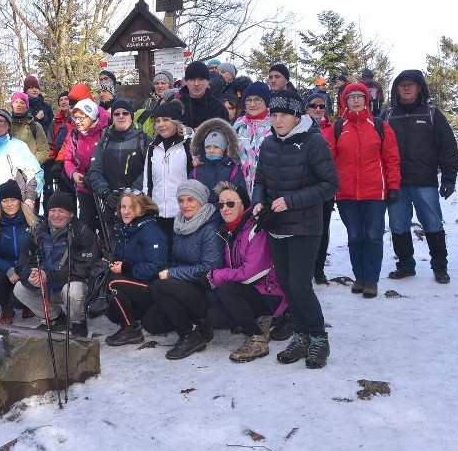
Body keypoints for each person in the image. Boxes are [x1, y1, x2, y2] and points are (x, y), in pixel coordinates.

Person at [252, 90, 338, 369]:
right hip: (276, 225)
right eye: (274, 115)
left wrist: (291, 201)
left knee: (301, 285)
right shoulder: (268, 144)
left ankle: (319, 338)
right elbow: (261, 181)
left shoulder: (315, 143)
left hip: (305, 225)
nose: (277, 121)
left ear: (296, 116)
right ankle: (301, 335)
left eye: (283, 115)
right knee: (287, 284)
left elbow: (329, 185)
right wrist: (258, 203)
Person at [382, 70, 458, 284]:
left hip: (425, 181)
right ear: (397, 89)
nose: (406, 88)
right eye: (402, 84)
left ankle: (440, 267)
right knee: (398, 225)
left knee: (433, 224)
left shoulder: (432, 113)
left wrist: (449, 178)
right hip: (396, 183)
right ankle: (406, 265)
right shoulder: (387, 116)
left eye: (411, 84)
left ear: (419, 88)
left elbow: (448, 147)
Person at [332, 83, 401, 298]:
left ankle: (371, 279)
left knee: (373, 236)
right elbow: (330, 162)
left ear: (366, 100)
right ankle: (359, 277)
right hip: (346, 194)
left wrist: (394, 186)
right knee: (355, 236)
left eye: (359, 96)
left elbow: (391, 159)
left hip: (375, 193)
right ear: (345, 101)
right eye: (350, 96)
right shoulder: (337, 128)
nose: (355, 100)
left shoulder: (380, 126)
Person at [143, 180, 224, 360]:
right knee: (151, 324)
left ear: (201, 201)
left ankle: (189, 335)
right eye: (181, 200)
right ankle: (197, 323)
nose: (185, 205)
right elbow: (175, 258)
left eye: (190, 200)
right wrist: (169, 270)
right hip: (183, 286)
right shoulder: (180, 224)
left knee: (159, 287)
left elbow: (210, 268)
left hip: (206, 290)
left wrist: (172, 274)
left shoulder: (210, 227)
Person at [207, 182, 286, 362]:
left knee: (227, 289)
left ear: (243, 204)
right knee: (215, 316)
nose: (225, 208)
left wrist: (215, 276)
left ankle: (257, 339)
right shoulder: (228, 231)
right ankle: (261, 318)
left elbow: (252, 272)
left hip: (269, 292)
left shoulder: (255, 228)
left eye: (230, 203)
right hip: (249, 290)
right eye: (220, 204)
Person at [13, 192, 97, 336]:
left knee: (73, 291)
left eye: (61, 211)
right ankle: (55, 317)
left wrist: (49, 277)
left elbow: (84, 267)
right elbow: (24, 260)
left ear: (71, 214)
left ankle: (78, 321)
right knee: (20, 289)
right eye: (52, 210)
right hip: (47, 282)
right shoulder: (38, 231)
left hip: (71, 283)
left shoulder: (82, 233)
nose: (56, 215)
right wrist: (32, 274)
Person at [104, 192, 168, 346]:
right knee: (113, 312)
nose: (126, 211)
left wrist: (126, 268)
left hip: (153, 286)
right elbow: (120, 256)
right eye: (123, 206)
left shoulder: (151, 231)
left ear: (143, 209)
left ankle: (131, 329)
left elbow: (156, 267)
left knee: (112, 283)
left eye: (132, 207)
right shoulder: (124, 229)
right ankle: (133, 319)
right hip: (135, 281)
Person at [87, 98, 151, 229]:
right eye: (116, 113)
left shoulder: (144, 140)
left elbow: (150, 170)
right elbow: (94, 170)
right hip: (112, 204)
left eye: (125, 113)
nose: (121, 116)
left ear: (131, 116)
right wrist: (105, 193)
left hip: (138, 204)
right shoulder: (104, 141)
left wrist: (131, 194)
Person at [0, 179, 40, 324]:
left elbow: (40, 251)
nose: (9, 204)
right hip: (6, 270)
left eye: (13, 200)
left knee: (19, 299)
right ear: (0, 203)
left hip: (27, 269)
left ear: (19, 201)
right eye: (5, 200)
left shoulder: (33, 223)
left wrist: (25, 269)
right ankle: (6, 307)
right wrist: (7, 268)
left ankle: (28, 304)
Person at [143, 99, 193, 242]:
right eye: (158, 121)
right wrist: (148, 207)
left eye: (166, 120)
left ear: (175, 122)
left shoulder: (187, 145)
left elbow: (192, 179)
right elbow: (148, 182)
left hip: (182, 212)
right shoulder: (152, 148)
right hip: (157, 213)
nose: (161, 124)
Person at [303, 92, 335, 284]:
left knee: (322, 229)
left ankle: (319, 268)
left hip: (324, 187)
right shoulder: (298, 127)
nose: (317, 109)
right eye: (313, 105)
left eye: (321, 106)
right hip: (303, 186)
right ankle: (305, 268)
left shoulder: (333, 128)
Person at [65, 97, 109, 234]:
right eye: (75, 118)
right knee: (86, 223)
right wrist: (73, 174)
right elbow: (68, 159)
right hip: (83, 186)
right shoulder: (74, 134)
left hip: (103, 186)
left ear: (92, 116)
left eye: (82, 118)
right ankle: (89, 252)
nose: (77, 122)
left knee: (106, 224)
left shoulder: (106, 133)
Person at [189, 118, 247, 203]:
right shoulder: (198, 168)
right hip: (202, 210)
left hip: (225, 210)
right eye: (208, 147)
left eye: (216, 147)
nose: (211, 150)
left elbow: (240, 192)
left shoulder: (232, 169)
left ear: (224, 148)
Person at [233, 81, 273, 196]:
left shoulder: (276, 125)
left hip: (268, 188)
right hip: (242, 186)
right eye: (248, 100)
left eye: (257, 99)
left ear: (266, 101)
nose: (252, 104)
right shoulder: (238, 126)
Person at [177, 60, 229, 130]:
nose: (196, 84)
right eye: (192, 79)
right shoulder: (176, 104)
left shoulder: (218, 107)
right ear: (186, 82)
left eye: (201, 79)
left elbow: (225, 135)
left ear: (208, 82)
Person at [135, 70, 175, 137]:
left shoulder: (176, 101)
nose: (159, 86)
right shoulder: (148, 102)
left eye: (163, 83)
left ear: (170, 85)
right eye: (156, 83)